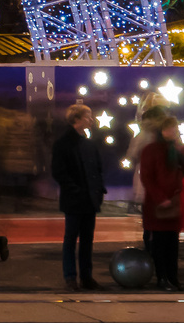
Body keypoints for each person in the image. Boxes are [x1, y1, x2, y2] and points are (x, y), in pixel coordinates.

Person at [51, 103, 104, 290]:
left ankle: (82, 276)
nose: (91, 120)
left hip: (84, 198)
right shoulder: (65, 144)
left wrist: (97, 189)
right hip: (78, 198)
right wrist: (78, 189)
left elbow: (96, 169)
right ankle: (74, 276)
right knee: (74, 238)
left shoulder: (84, 144)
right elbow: (59, 171)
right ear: (77, 119)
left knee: (84, 239)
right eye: (87, 116)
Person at [139, 113, 184, 291]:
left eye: (175, 128)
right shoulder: (151, 149)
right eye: (170, 128)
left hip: (174, 201)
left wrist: (178, 150)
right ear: (161, 130)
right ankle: (161, 277)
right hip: (157, 204)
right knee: (160, 242)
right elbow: (147, 177)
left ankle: (173, 276)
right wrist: (160, 198)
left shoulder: (177, 149)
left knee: (173, 242)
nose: (174, 131)